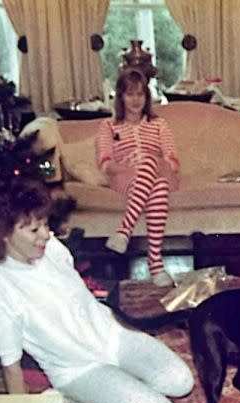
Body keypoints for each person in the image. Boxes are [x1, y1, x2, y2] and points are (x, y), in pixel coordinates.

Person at [0, 179, 194, 403]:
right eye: (35, 230)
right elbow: (10, 365)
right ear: (5, 234)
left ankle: (120, 384)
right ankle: (81, 402)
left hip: (113, 336)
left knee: (181, 383)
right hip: (78, 370)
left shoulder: (51, 248)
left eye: (45, 224)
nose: (46, 235)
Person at [96, 68, 180, 287]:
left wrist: (152, 163)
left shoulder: (159, 124)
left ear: (147, 97)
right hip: (124, 178)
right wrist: (129, 168)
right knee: (158, 186)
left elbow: (172, 159)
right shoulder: (108, 126)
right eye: (130, 94)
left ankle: (124, 232)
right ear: (121, 97)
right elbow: (105, 164)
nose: (135, 100)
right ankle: (155, 262)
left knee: (156, 172)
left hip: (158, 172)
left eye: (140, 94)